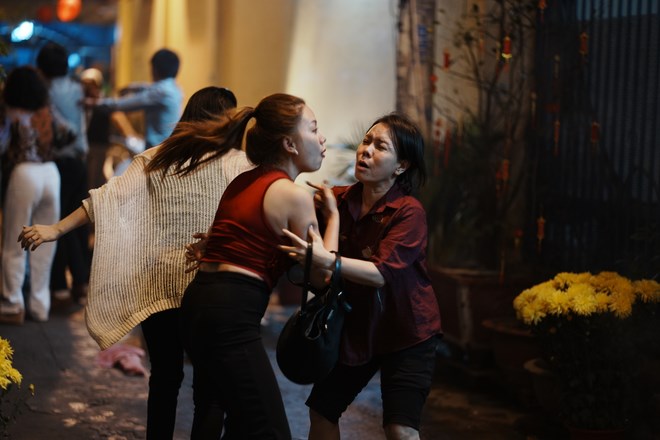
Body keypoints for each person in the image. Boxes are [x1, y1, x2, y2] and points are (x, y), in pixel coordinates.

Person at [18, 86, 250, 439]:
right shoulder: (240, 163)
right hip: (209, 287)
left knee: (165, 377)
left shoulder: (157, 158)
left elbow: (105, 199)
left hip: (157, 284)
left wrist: (56, 229)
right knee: (209, 385)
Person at [178, 93, 332, 439]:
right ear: (289, 144)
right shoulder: (294, 195)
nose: (322, 139)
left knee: (219, 418)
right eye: (313, 129)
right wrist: (333, 217)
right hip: (230, 317)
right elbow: (322, 275)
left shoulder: (242, 182)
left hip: (198, 305)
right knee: (269, 430)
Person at [279, 113, 442, 440]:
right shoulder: (337, 200)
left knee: (400, 429)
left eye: (380, 146)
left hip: (407, 332)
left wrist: (329, 260)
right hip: (356, 327)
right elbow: (284, 224)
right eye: (366, 141)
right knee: (322, 411)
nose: (365, 150)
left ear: (401, 166)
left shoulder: (409, 212)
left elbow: (381, 273)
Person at [0, 66, 76, 324]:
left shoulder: (9, 112)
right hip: (51, 173)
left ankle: (12, 305)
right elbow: (70, 133)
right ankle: (40, 306)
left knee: (15, 241)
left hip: (24, 172)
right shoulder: (47, 110)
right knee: (44, 244)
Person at [36, 42, 92, 304]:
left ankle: (58, 286)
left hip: (60, 163)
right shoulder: (77, 87)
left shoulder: (44, 91)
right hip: (80, 161)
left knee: (56, 223)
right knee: (78, 224)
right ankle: (81, 282)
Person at [89, 48, 183, 152]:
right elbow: (148, 87)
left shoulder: (161, 92)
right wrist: (130, 88)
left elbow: (122, 104)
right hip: (167, 147)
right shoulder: (174, 88)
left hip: (158, 150)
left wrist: (94, 103)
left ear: (155, 69)